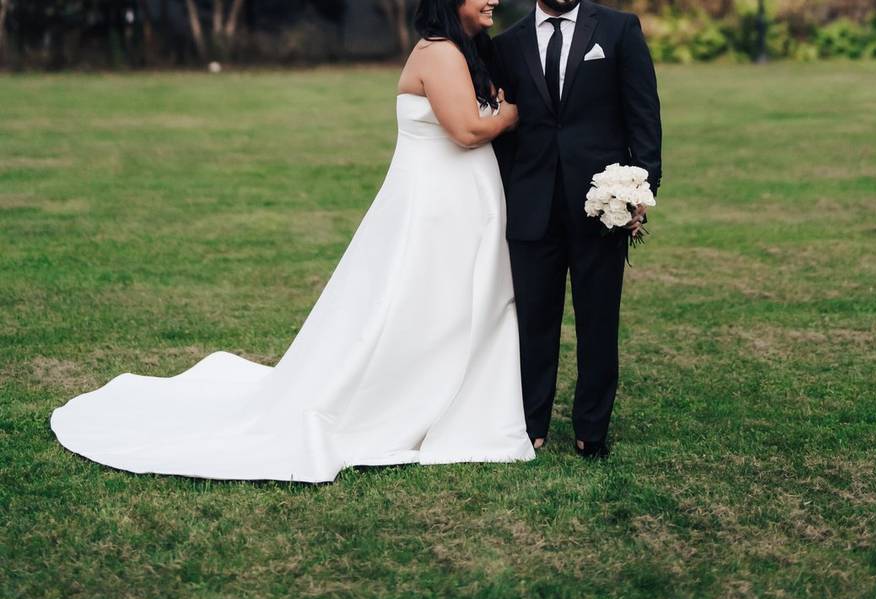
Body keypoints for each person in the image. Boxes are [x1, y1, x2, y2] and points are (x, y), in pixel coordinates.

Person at [50, 0, 535, 484]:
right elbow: (469, 130)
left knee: (450, 306)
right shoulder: (439, 52)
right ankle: (410, 399)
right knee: (421, 306)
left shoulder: (462, 51)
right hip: (436, 209)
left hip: (458, 206)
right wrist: (512, 114)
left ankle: (452, 394)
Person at [487, 0, 663, 458]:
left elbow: (643, 115)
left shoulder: (620, 29)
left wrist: (640, 193)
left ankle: (592, 429)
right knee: (532, 322)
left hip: (600, 208)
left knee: (599, 320)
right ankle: (530, 425)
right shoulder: (506, 45)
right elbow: (501, 132)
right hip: (531, 206)